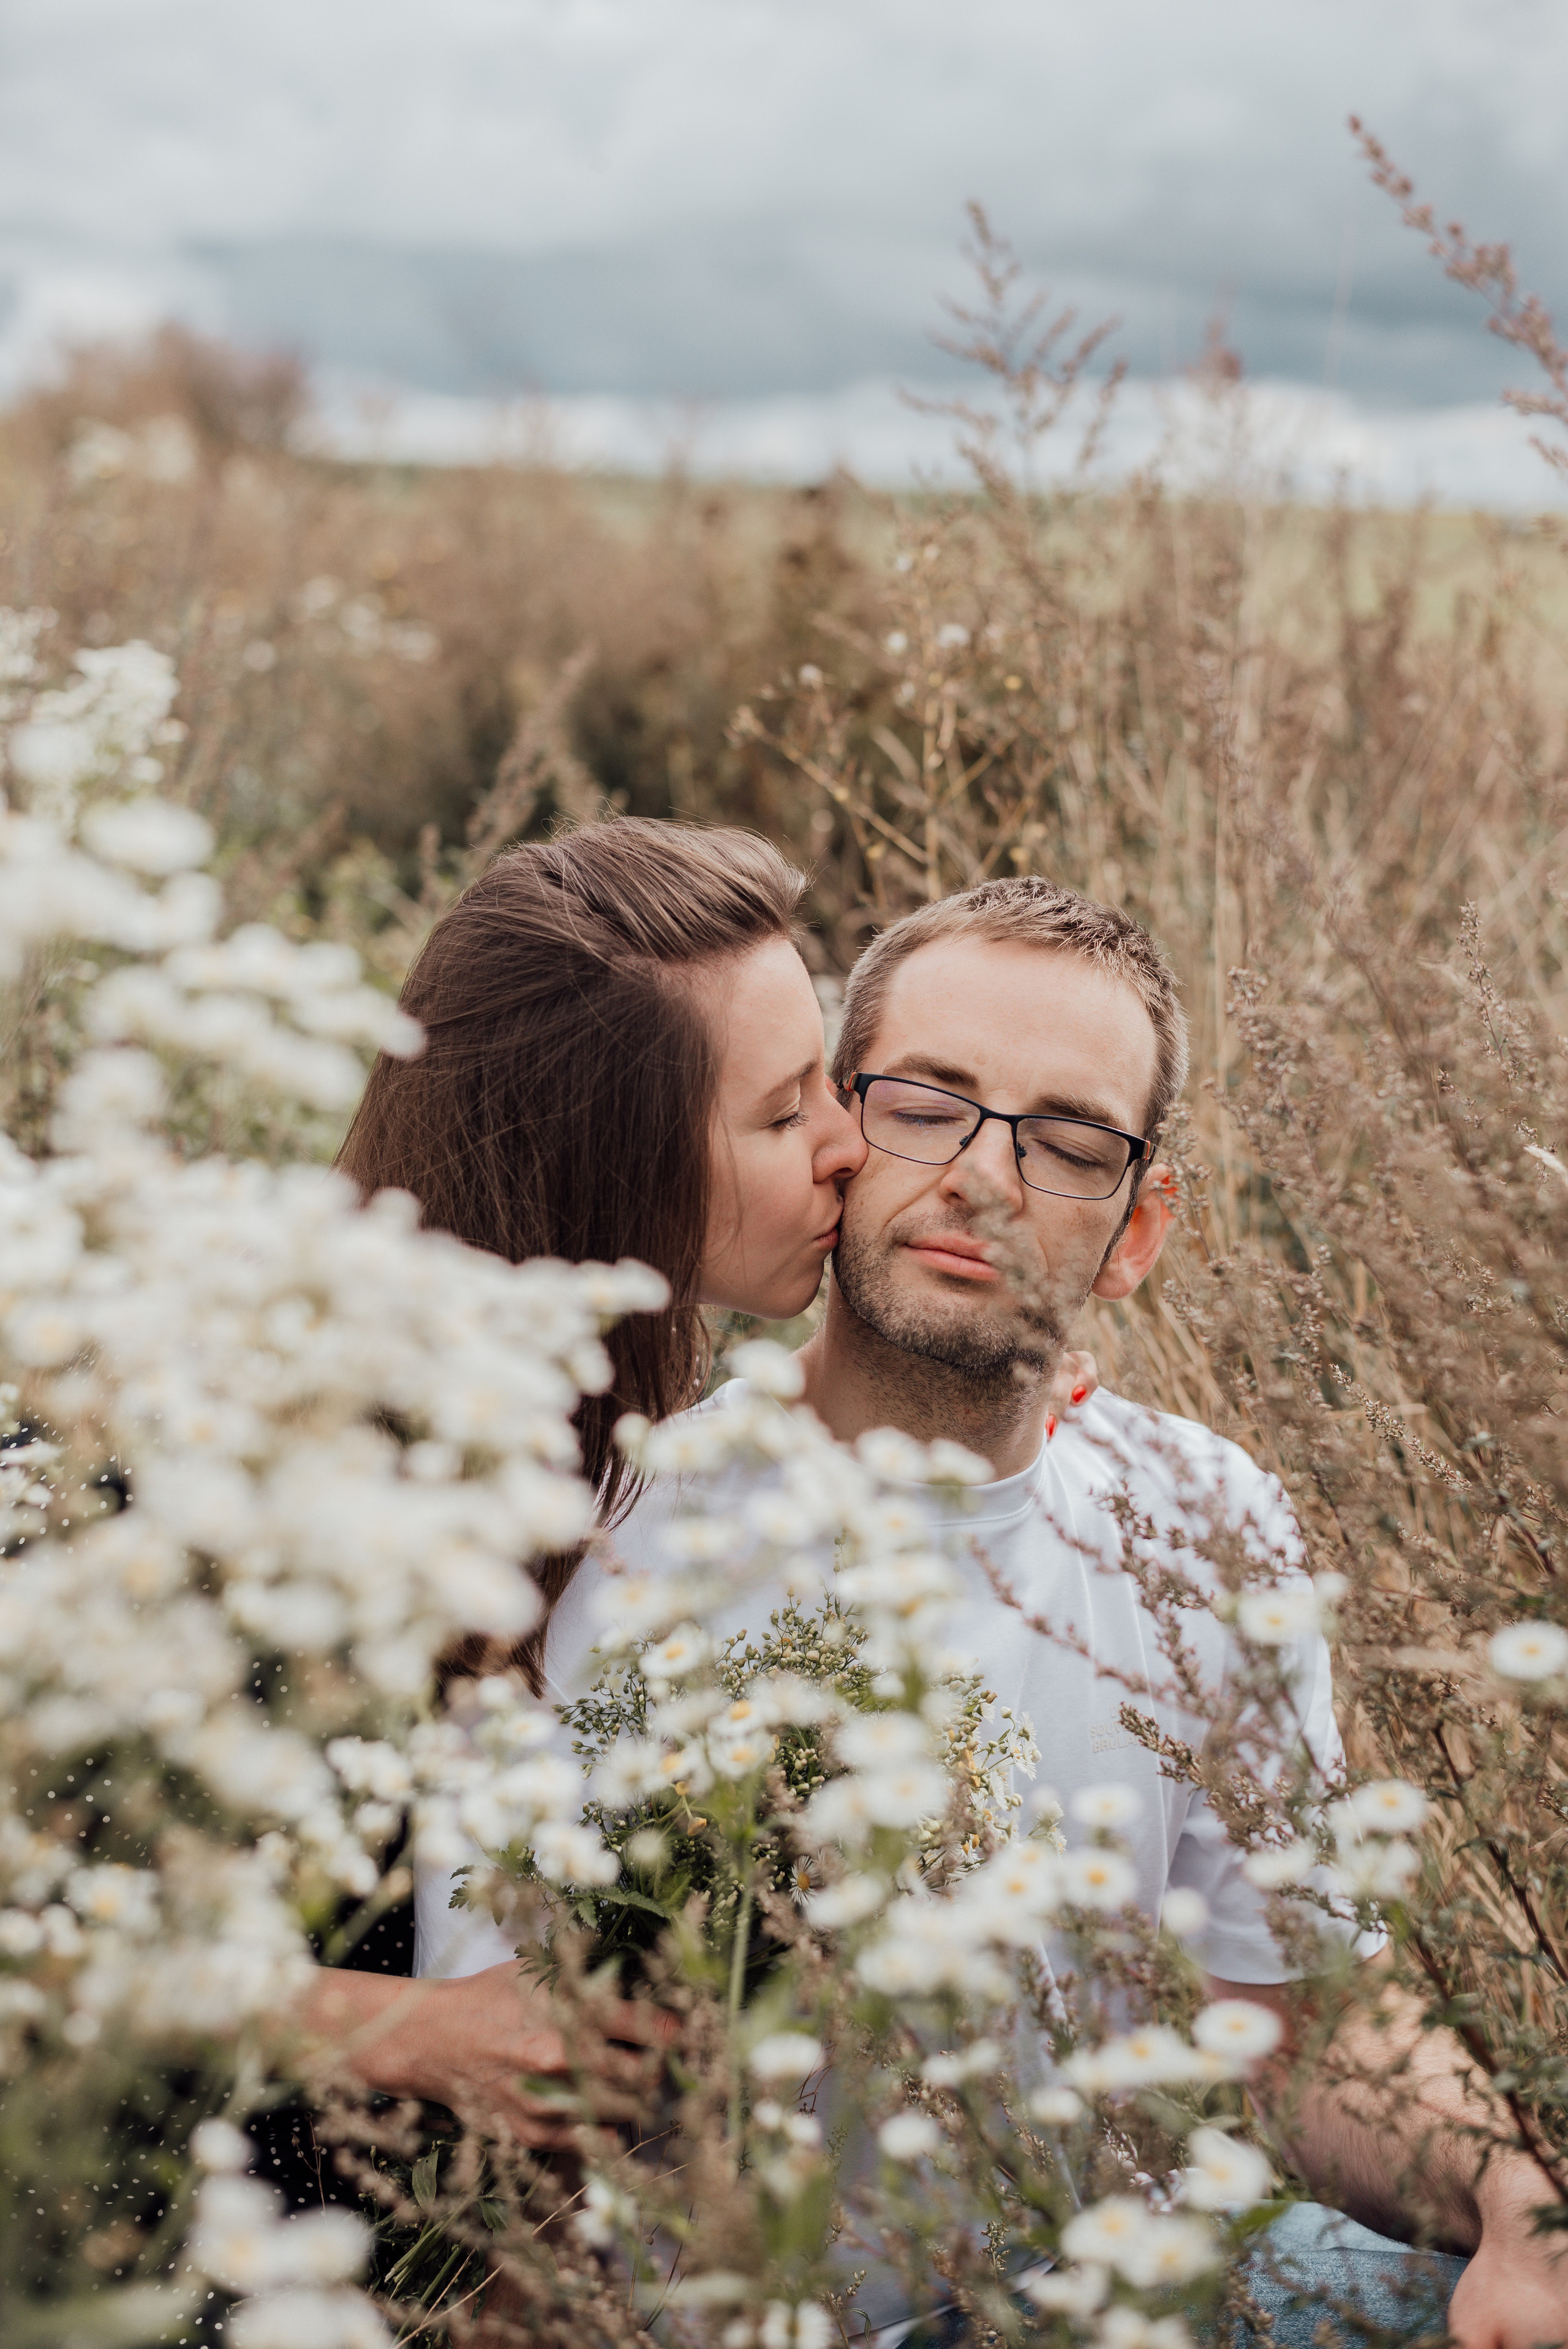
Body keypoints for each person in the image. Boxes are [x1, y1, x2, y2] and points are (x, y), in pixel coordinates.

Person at [421, 874, 1567, 2349]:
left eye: (1067, 1143)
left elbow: (1289, 2030)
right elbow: (514, 2136)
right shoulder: (608, 1531)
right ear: (832, 1137)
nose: (980, 1175)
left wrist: (1506, 2187)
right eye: (924, 1104)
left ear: (1139, 1228)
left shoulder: (1206, 1522)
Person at [296, 823, 1096, 2139]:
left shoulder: (597, 1422)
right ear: (614, 1172)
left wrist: (996, 1380)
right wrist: (402, 2031)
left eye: (831, 1086)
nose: (847, 1146)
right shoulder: (279, 1461)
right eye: (786, 1112)